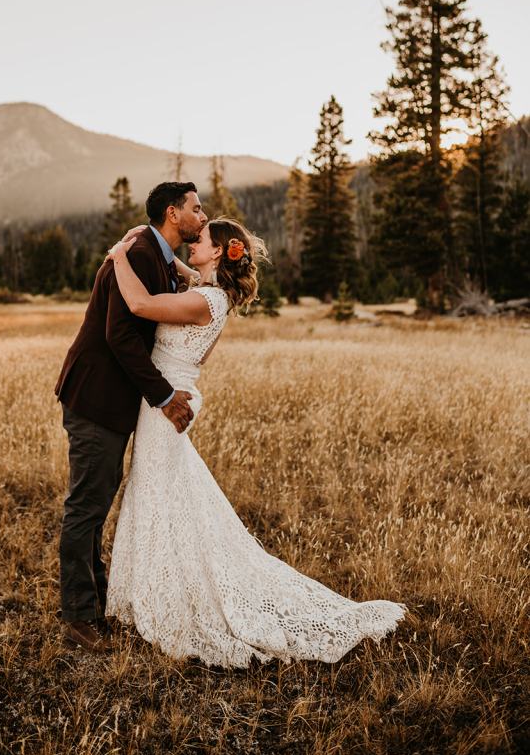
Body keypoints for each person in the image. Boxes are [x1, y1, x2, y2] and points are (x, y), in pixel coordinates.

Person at [104, 217, 408, 667]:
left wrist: (117, 258)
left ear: (219, 251)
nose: (193, 243)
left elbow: (142, 305)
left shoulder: (205, 301)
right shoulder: (212, 295)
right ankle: (156, 586)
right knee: (162, 491)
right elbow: (192, 310)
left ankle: (171, 596)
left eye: (201, 241)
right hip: (170, 394)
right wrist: (189, 272)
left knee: (158, 491)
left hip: (166, 402)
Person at [53, 181, 207, 653]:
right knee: (86, 507)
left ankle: (94, 602)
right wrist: (164, 397)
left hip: (110, 400)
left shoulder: (150, 248)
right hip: (96, 397)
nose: (202, 216)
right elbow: (120, 336)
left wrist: (185, 269)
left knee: (97, 502)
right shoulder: (140, 251)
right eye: (195, 209)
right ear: (172, 213)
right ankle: (79, 617)